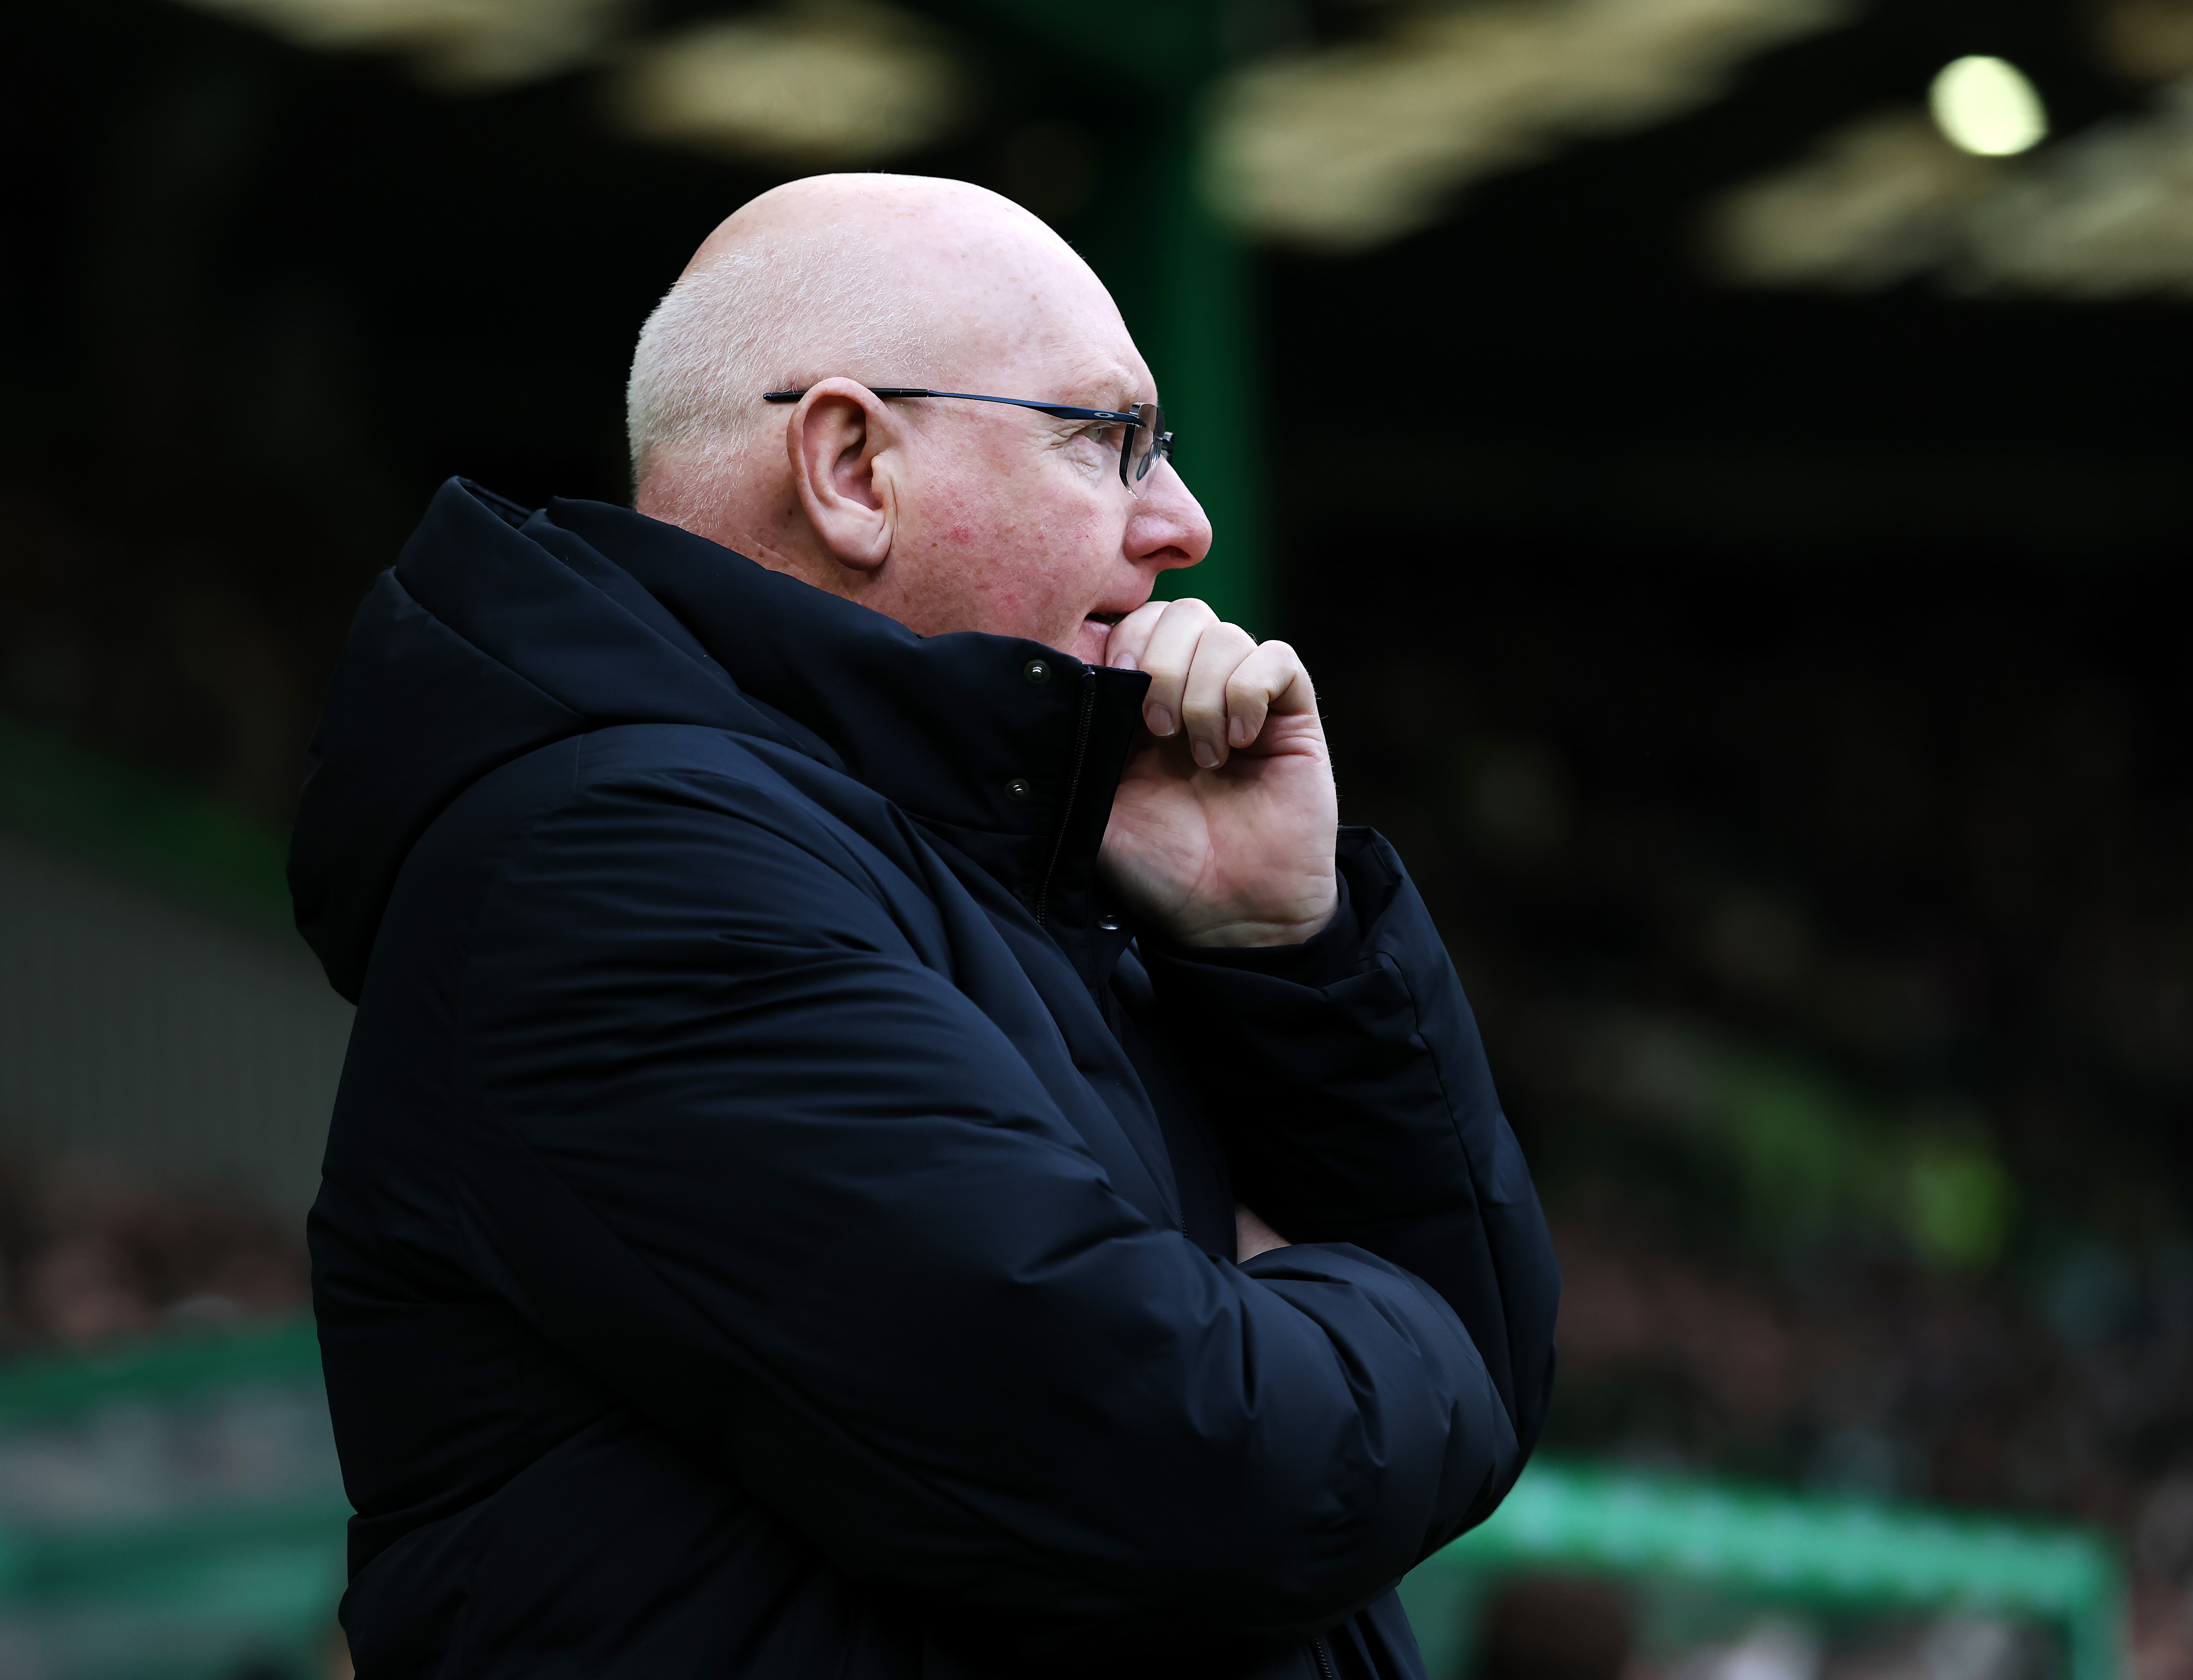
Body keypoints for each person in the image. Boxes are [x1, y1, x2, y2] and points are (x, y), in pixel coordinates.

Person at [290, 173, 1557, 1680]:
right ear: (851, 468)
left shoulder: (984, 863)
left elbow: (1457, 1385)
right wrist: (1376, 1312)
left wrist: (1285, 949)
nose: (1184, 523)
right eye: (1109, 440)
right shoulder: (620, 866)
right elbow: (1198, 1461)